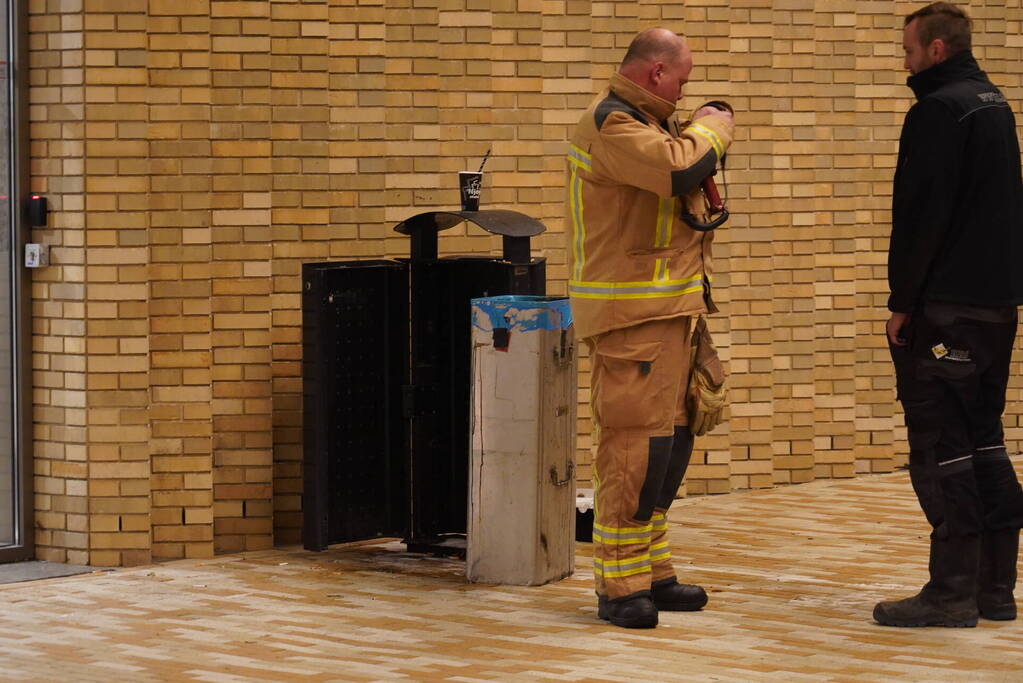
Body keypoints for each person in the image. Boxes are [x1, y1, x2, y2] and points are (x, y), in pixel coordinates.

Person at [565, 27, 734, 628]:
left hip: (672, 313)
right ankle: (618, 587)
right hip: (630, 319)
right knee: (634, 449)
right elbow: (680, 168)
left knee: (669, 447)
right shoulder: (613, 124)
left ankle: (654, 571)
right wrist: (715, 126)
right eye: (683, 79)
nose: (687, 90)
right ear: (656, 72)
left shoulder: (652, 123)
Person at [877, 1, 1023, 628]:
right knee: (985, 438)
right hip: (996, 306)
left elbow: (921, 214)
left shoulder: (936, 111)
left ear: (937, 50)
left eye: (909, 51)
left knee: (943, 447)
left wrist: (902, 303)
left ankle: (951, 590)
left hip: (949, 311)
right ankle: (996, 588)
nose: (904, 62)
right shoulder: (994, 104)